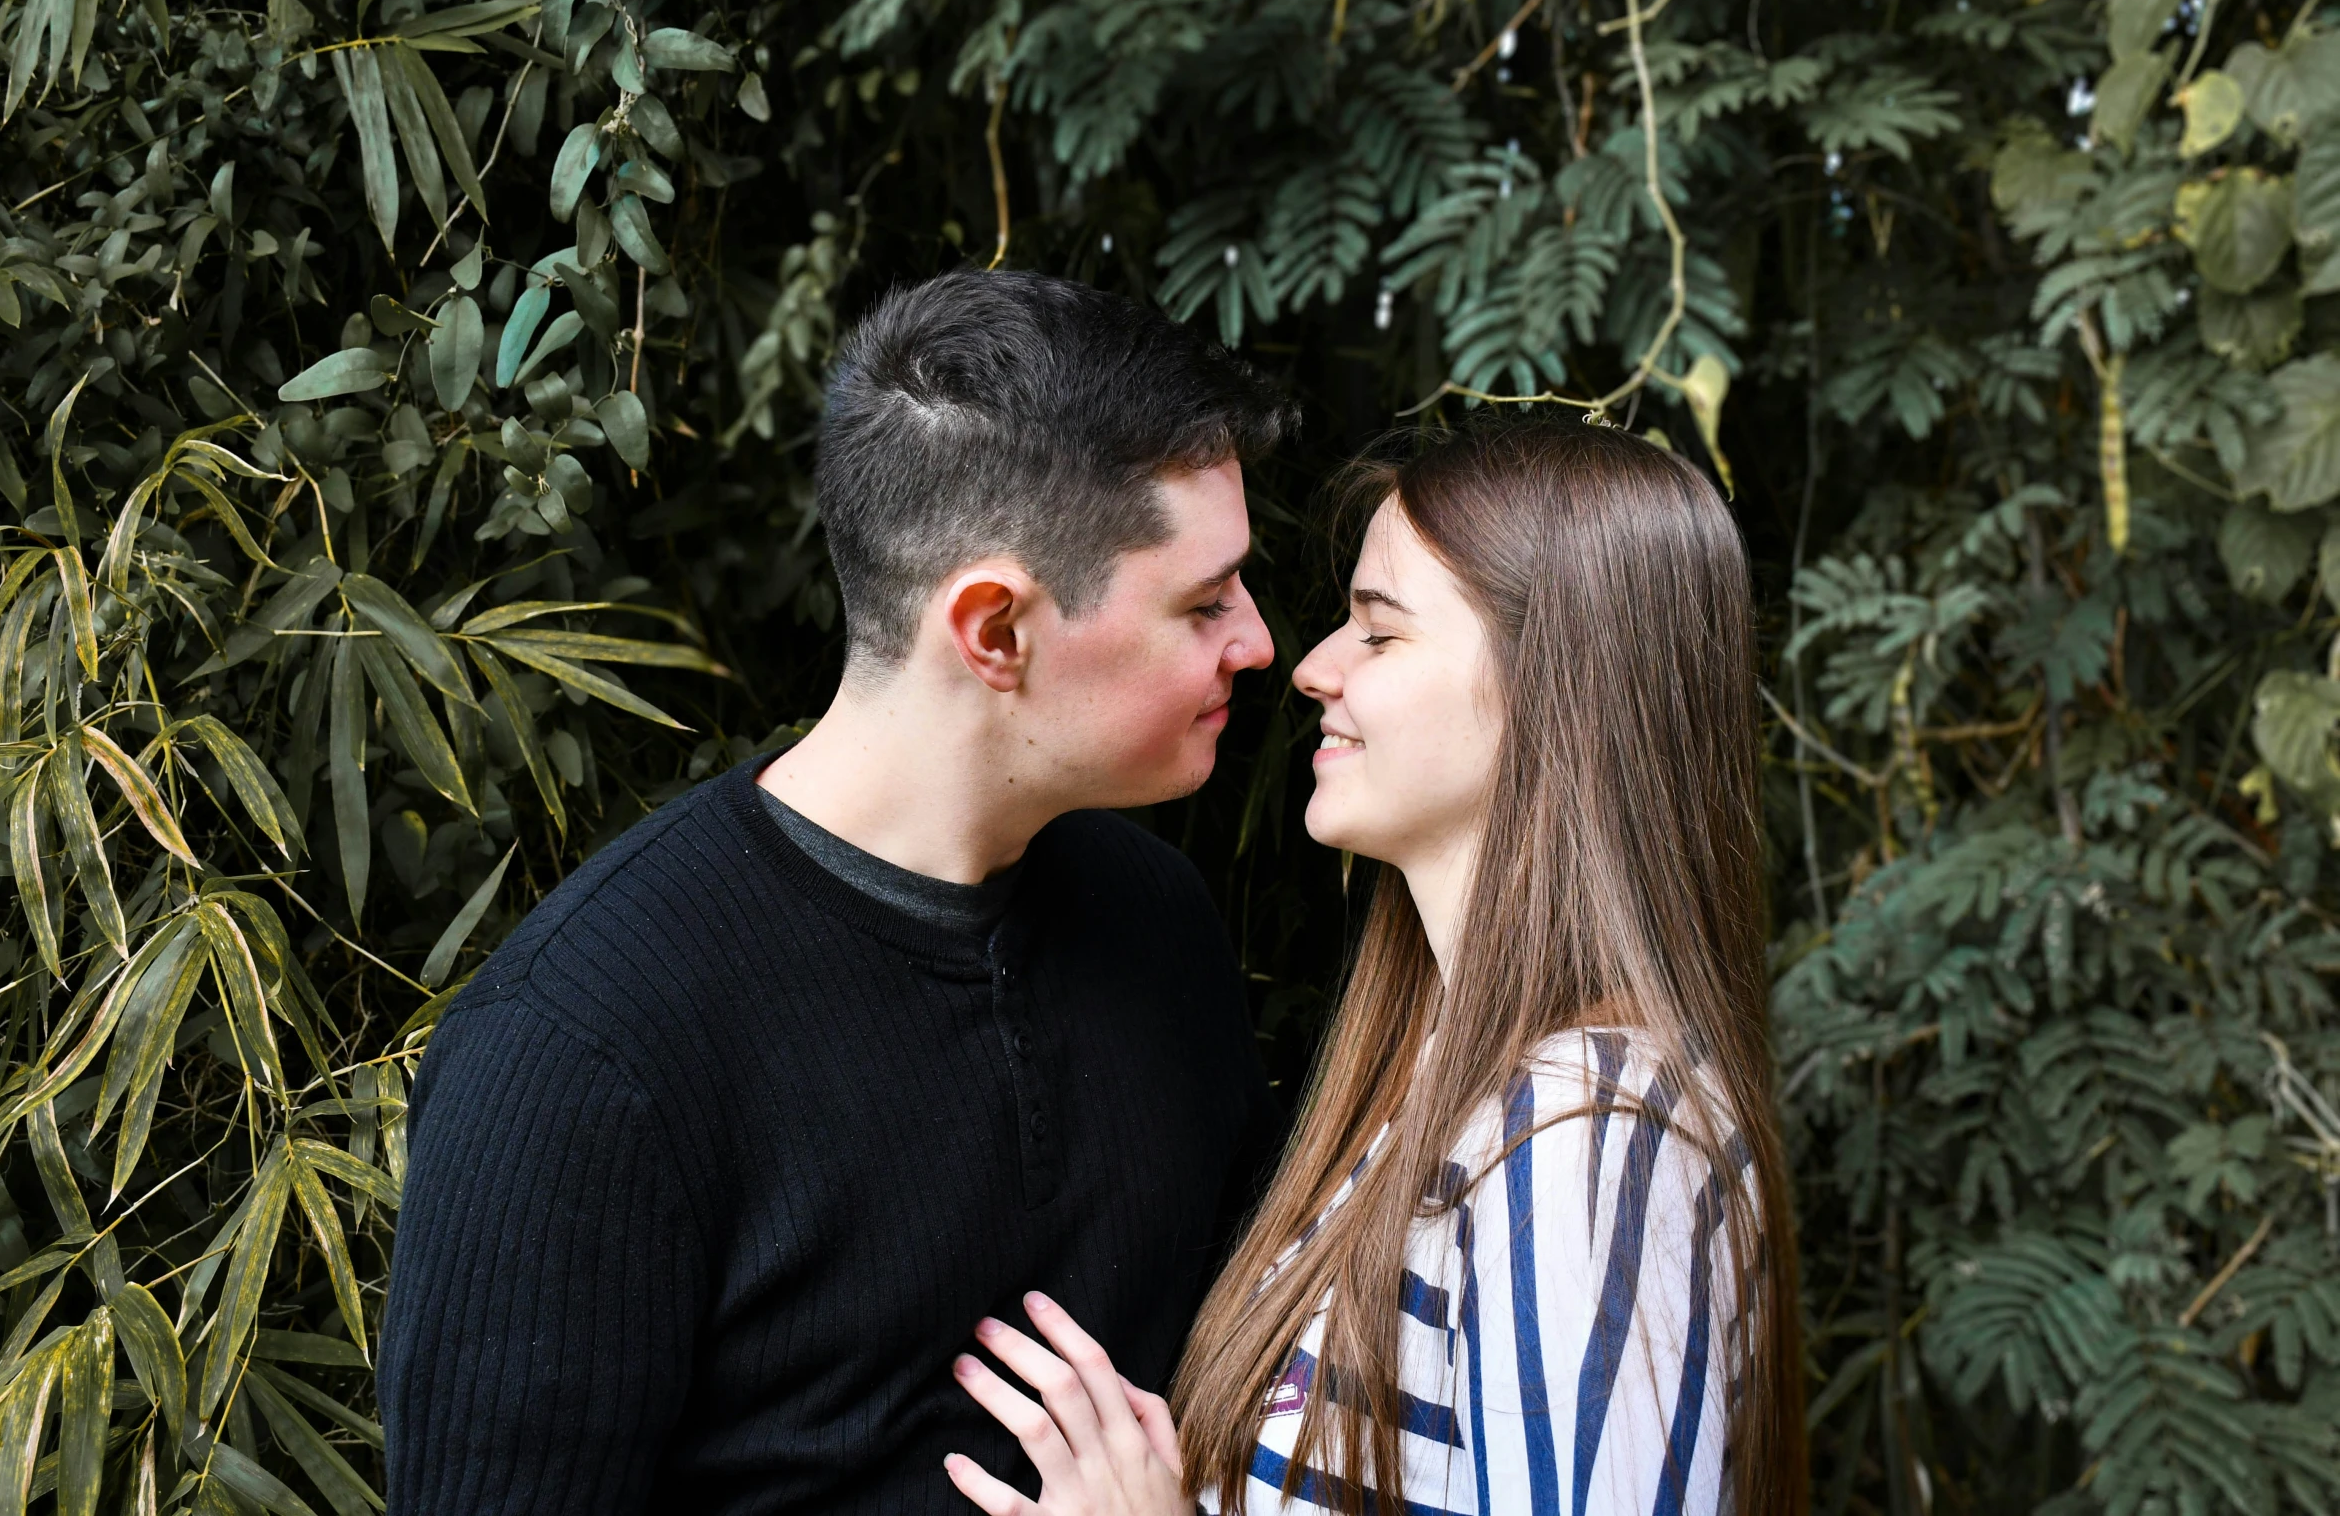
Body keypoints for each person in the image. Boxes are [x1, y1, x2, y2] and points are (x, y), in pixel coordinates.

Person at [379, 269, 1295, 1514]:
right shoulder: (582, 1052)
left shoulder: (1159, 923)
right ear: (994, 632)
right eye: (1203, 602)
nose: (1258, 643)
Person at [941, 416, 1808, 1516]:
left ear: (1552, 687)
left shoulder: (1585, 1140)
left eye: (1378, 634)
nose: (1308, 668)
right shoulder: (1452, 1083)